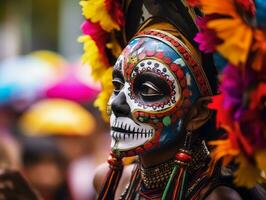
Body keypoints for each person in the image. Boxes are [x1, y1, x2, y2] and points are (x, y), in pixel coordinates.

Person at [83, 1, 266, 200]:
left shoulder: (216, 196)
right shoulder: (107, 180)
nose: (117, 104)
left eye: (147, 90)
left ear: (199, 113)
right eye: (118, 85)